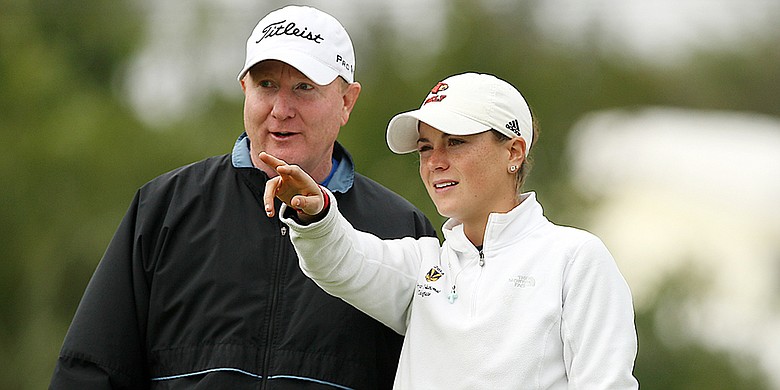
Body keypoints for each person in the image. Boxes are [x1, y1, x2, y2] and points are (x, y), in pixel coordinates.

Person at [50, 5, 436, 389]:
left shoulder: (400, 230)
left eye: (304, 88)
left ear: (346, 101)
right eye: (266, 85)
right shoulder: (165, 208)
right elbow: (91, 371)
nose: (281, 110)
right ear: (244, 90)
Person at [261, 72, 639, 389]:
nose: (435, 162)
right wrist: (316, 212)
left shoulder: (574, 259)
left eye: (456, 142)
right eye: (426, 148)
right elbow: (340, 260)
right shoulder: (423, 265)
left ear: (514, 152)